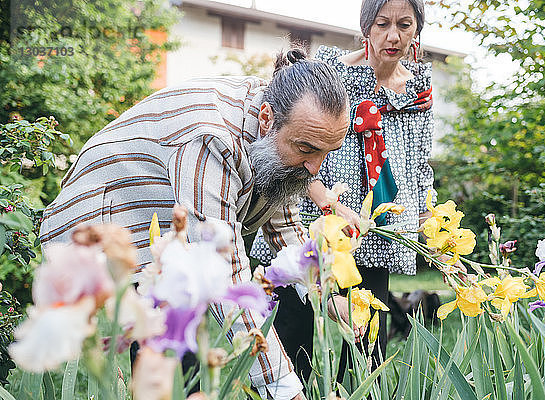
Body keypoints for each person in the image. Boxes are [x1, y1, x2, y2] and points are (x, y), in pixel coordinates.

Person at [39, 49, 349, 400]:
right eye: (307, 148)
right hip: (103, 221)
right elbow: (223, 267)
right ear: (267, 118)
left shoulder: (280, 131)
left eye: (327, 152)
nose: (315, 168)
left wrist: (326, 295)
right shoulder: (212, 138)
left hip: (163, 231)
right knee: (168, 353)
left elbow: (284, 227)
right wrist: (284, 389)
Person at [251, 0, 437, 383]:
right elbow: (298, 141)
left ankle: (354, 392)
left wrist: (427, 221)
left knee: (368, 336)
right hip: (313, 210)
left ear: (416, 31)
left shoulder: (418, 90)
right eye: (382, 23)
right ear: (365, 27)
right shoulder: (333, 73)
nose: (393, 35)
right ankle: (286, 388)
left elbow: (420, 159)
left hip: (378, 222)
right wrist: (319, 193)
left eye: (404, 25)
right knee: (294, 323)